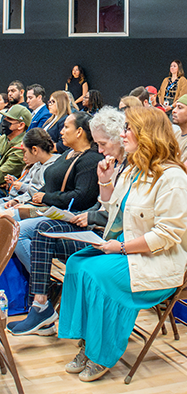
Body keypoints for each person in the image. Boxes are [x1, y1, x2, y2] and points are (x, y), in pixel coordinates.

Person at [57, 107, 187, 382]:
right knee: (76, 263)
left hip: (156, 258)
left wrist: (120, 248)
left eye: (129, 128)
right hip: (128, 248)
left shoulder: (173, 179)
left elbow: (166, 236)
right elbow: (113, 208)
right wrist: (105, 181)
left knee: (99, 275)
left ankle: (102, 353)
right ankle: (87, 341)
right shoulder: (135, 170)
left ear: (147, 135)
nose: (123, 134)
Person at [7, 107, 127, 337]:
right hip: (65, 216)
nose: (60, 132)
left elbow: (89, 200)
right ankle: (41, 303)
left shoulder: (95, 160)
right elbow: (103, 204)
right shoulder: (70, 155)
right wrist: (32, 201)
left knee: (23, 229)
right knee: (36, 229)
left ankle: (43, 293)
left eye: (66, 127)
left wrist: (88, 214)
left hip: (97, 233)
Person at [14, 112, 102, 273]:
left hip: (70, 217)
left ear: (79, 132)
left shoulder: (90, 159)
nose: (61, 131)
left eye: (66, 127)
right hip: (51, 210)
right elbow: (49, 185)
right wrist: (23, 202)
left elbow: (81, 197)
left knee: (17, 232)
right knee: (7, 218)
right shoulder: (66, 154)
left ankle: (42, 282)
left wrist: (47, 197)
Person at [0, 128, 59, 219]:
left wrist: (23, 203)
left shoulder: (55, 166)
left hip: (40, 209)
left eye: (25, 151)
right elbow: (30, 192)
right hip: (26, 203)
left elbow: (40, 194)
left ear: (34, 150)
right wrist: (16, 200)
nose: (24, 156)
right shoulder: (37, 165)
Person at [0, 105, 32, 196]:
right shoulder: (4, 139)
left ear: (21, 125)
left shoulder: (22, 149)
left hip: (7, 192)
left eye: (9, 119)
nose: (4, 121)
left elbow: (2, 174)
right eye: (5, 117)